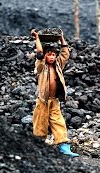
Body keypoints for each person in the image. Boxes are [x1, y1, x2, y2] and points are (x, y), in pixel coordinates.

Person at [31, 29, 79, 157]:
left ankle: (64, 146)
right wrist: (37, 38)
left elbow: (65, 53)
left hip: (54, 101)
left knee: (59, 122)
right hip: (42, 101)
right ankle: (38, 147)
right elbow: (40, 53)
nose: (52, 57)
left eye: (53, 55)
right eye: (49, 55)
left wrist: (62, 37)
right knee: (40, 124)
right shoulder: (41, 67)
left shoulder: (58, 65)